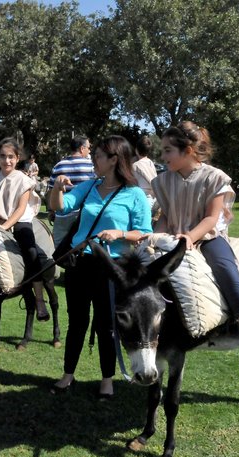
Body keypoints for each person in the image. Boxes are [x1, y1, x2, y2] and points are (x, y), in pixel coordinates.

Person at [153, 121, 239, 373]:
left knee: (226, 269)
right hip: (174, 237)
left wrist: (190, 237)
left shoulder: (214, 178)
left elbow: (212, 218)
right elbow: (166, 216)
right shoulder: (162, 181)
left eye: (168, 150)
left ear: (188, 150)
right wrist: (153, 239)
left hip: (208, 238)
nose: (163, 156)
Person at [47, 136, 153, 397]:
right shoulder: (89, 186)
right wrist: (58, 188)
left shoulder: (135, 194)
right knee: (77, 323)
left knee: (107, 326)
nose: (93, 159)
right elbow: (60, 207)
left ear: (114, 160)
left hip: (111, 268)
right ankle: (68, 374)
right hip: (80, 264)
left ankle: (107, 380)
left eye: (98, 156)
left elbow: (145, 232)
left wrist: (120, 234)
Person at [0, 137, 49, 321]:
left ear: (17, 158)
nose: (7, 161)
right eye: (3, 156)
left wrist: (3, 227)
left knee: (31, 251)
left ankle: (40, 300)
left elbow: (20, 210)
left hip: (19, 221)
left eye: (11, 156)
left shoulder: (24, 180)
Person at [48, 135, 97, 247]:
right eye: (88, 148)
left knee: (59, 248)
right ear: (82, 148)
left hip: (62, 213)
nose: (89, 151)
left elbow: (51, 191)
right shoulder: (91, 166)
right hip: (83, 213)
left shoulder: (59, 166)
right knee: (81, 245)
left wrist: (51, 210)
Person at [132, 135, 158, 212]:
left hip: (142, 199)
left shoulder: (135, 165)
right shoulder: (150, 162)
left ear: (136, 150)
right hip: (154, 199)